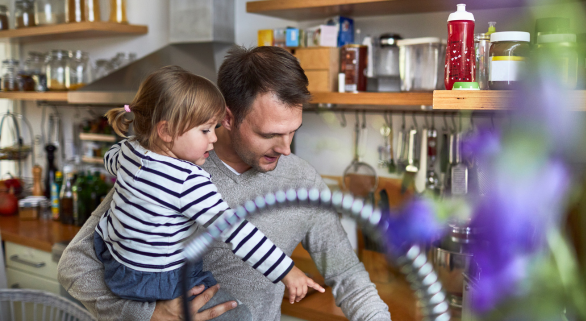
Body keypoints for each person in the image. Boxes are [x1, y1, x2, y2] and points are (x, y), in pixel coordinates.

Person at [58, 46, 392, 321]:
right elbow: (75, 266)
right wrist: (150, 314)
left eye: (293, 131)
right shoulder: (168, 167)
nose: (286, 149)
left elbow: (347, 275)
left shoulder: (302, 180)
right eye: (270, 134)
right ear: (227, 118)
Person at [93, 65, 323, 318]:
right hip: (160, 279)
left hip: (116, 267)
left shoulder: (128, 151)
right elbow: (236, 231)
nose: (213, 139)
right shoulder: (188, 180)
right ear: (166, 131)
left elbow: (109, 159)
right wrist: (287, 271)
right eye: (205, 130)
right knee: (240, 316)